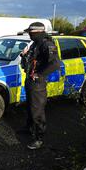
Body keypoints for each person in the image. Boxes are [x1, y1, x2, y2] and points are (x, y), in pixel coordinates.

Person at [20, 22, 61, 150]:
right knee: (29, 107)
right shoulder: (35, 43)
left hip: (37, 83)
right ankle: (29, 128)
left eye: (30, 33)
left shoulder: (46, 44)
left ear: (37, 32)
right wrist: (23, 55)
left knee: (37, 110)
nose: (29, 35)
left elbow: (55, 64)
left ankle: (39, 138)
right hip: (30, 80)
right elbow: (30, 60)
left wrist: (39, 75)